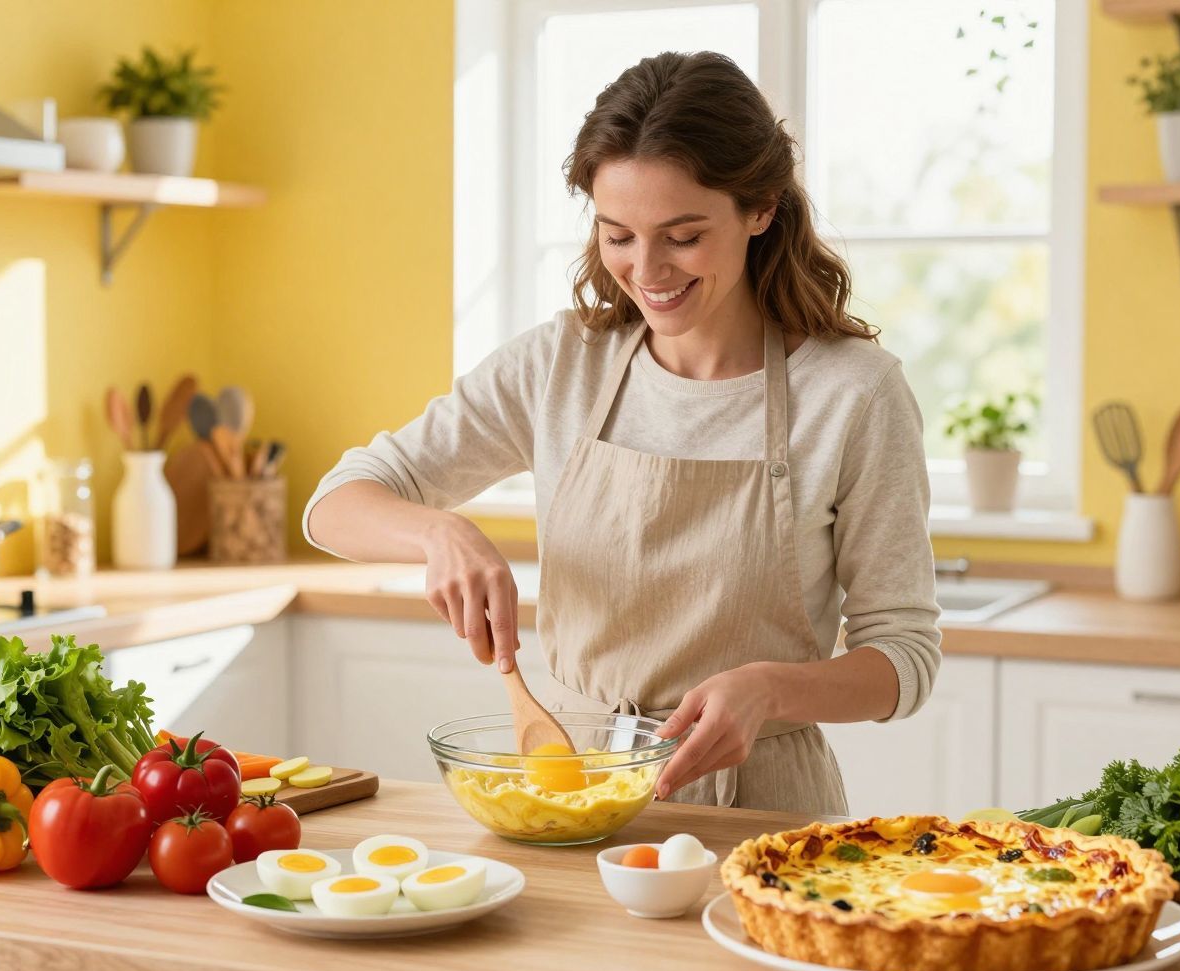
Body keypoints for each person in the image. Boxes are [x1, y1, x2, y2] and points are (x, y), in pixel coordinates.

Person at [304, 51, 940, 814]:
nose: (647, 270)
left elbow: (904, 655)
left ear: (761, 208)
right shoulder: (558, 365)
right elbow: (336, 503)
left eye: (682, 235)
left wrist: (771, 690)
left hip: (764, 817)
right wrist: (439, 534)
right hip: (570, 791)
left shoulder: (853, 394)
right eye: (618, 235)